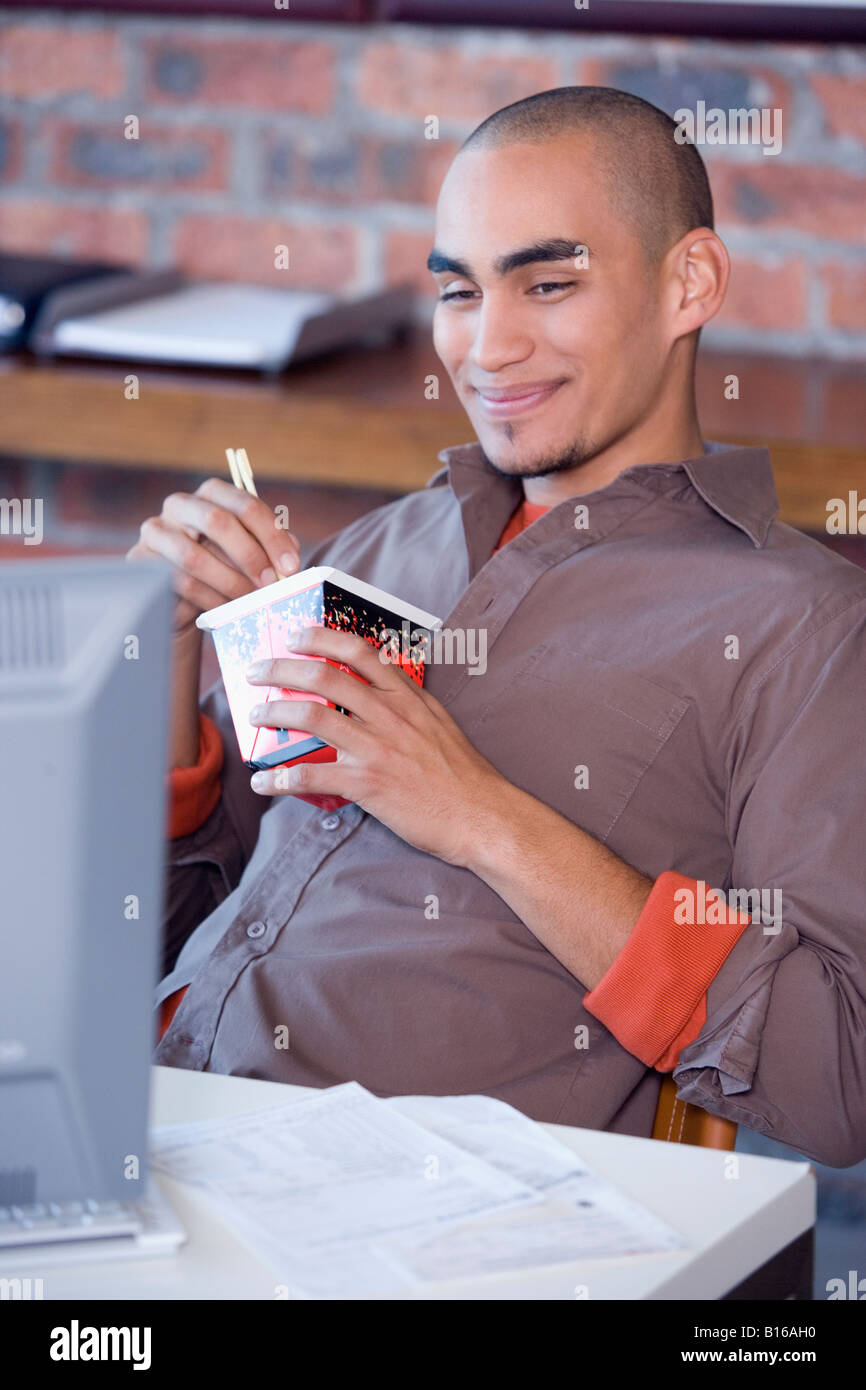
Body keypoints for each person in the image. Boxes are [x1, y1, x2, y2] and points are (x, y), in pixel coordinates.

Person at [128, 87, 866, 1166]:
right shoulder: (376, 547)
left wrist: (477, 814)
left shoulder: (800, 627)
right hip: (135, 1125)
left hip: (392, 1219)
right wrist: (164, 648)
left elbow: (834, 1079)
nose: (489, 346)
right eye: (460, 291)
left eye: (549, 283)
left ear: (687, 284)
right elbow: (148, 925)